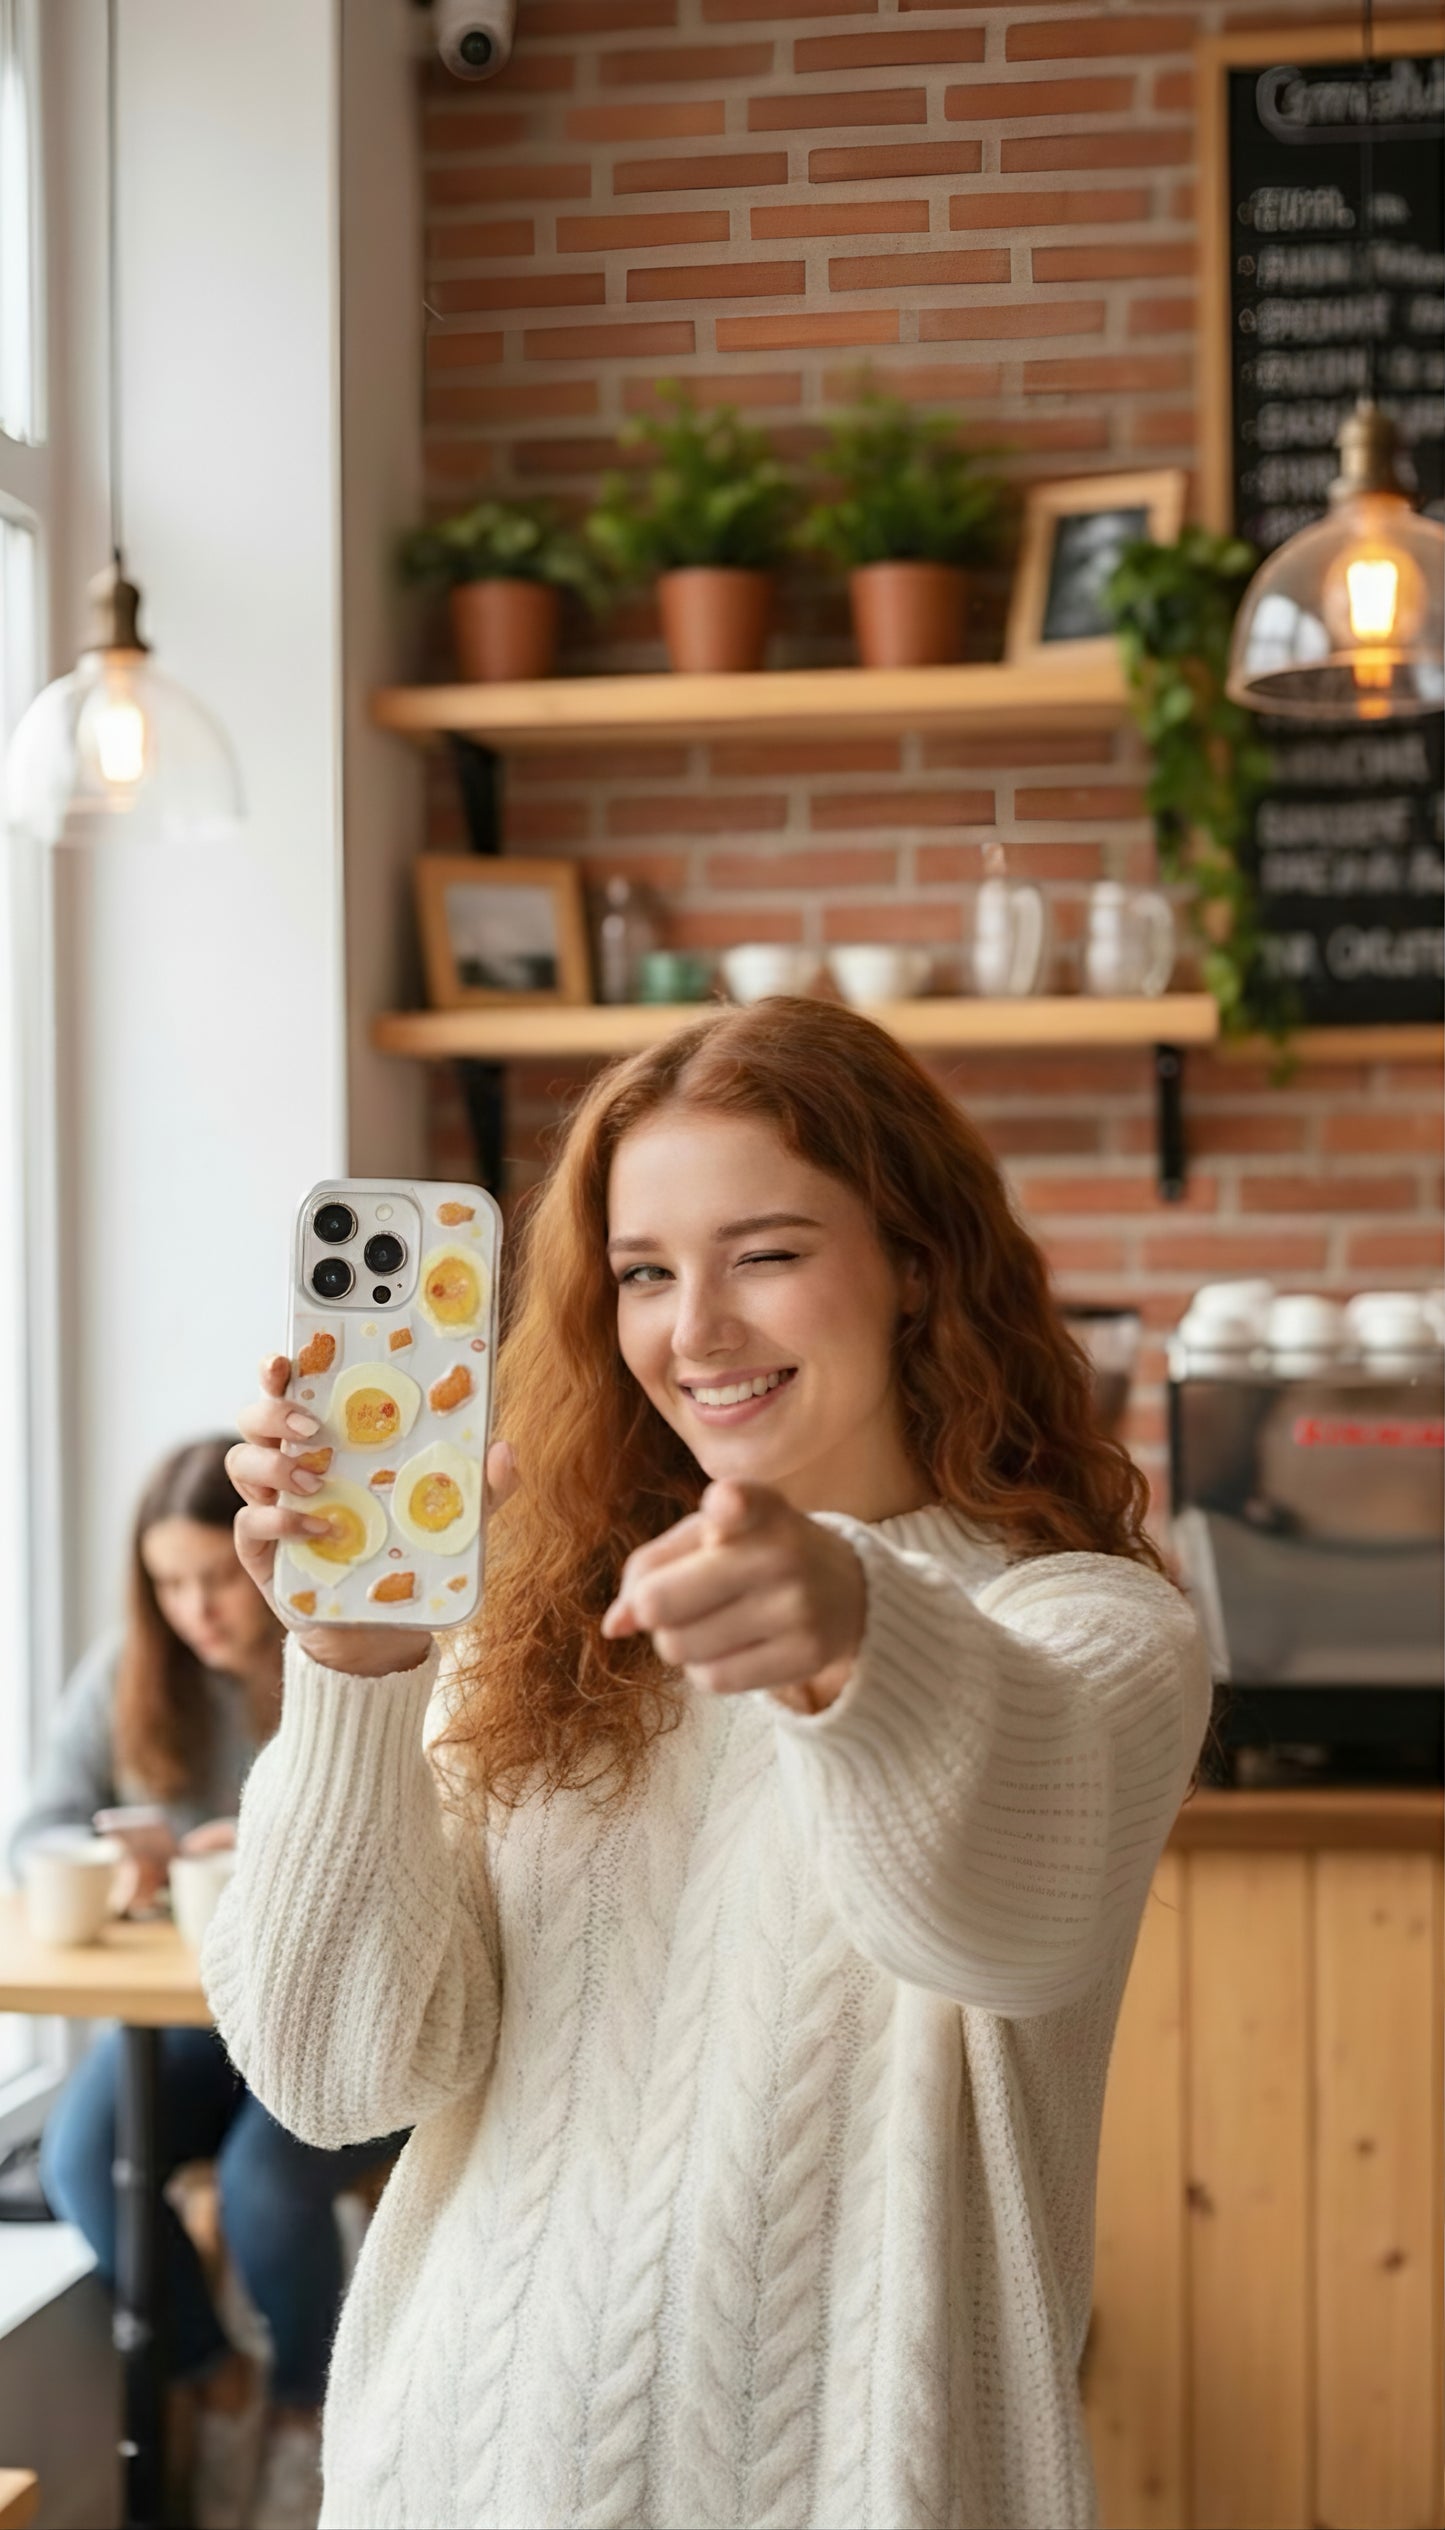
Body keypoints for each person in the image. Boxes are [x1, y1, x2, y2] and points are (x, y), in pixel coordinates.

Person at [213, 998, 1211, 2530]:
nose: (696, 1332)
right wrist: (349, 1668)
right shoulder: (535, 1634)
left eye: (766, 1253)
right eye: (642, 1274)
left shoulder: (1084, 1625)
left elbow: (1000, 1916)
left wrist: (855, 1637)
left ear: (916, 1266)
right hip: (448, 2472)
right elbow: (342, 2078)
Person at [11, 1437, 405, 2530]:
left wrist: (282, 1835)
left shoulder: (350, 1651)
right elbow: (36, 1828)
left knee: (261, 2184)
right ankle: (208, 2374)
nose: (196, 1608)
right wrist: (110, 1846)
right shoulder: (131, 1671)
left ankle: (305, 2415)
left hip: (337, 2015)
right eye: (169, 1584)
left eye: (215, 1578)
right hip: (197, 2021)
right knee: (85, 2157)